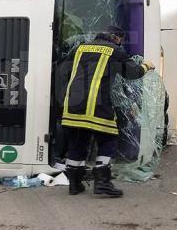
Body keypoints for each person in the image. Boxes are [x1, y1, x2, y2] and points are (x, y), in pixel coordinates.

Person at [61, 25, 155, 197]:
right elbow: (132, 73)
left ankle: (74, 184)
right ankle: (102, 184)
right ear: (117, 38)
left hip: (72, 105)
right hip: (97, 106)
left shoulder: (80, 48)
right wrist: (146, 66)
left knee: (77, 143)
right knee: (108, 141)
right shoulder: (114, 51)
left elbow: (66, 71)